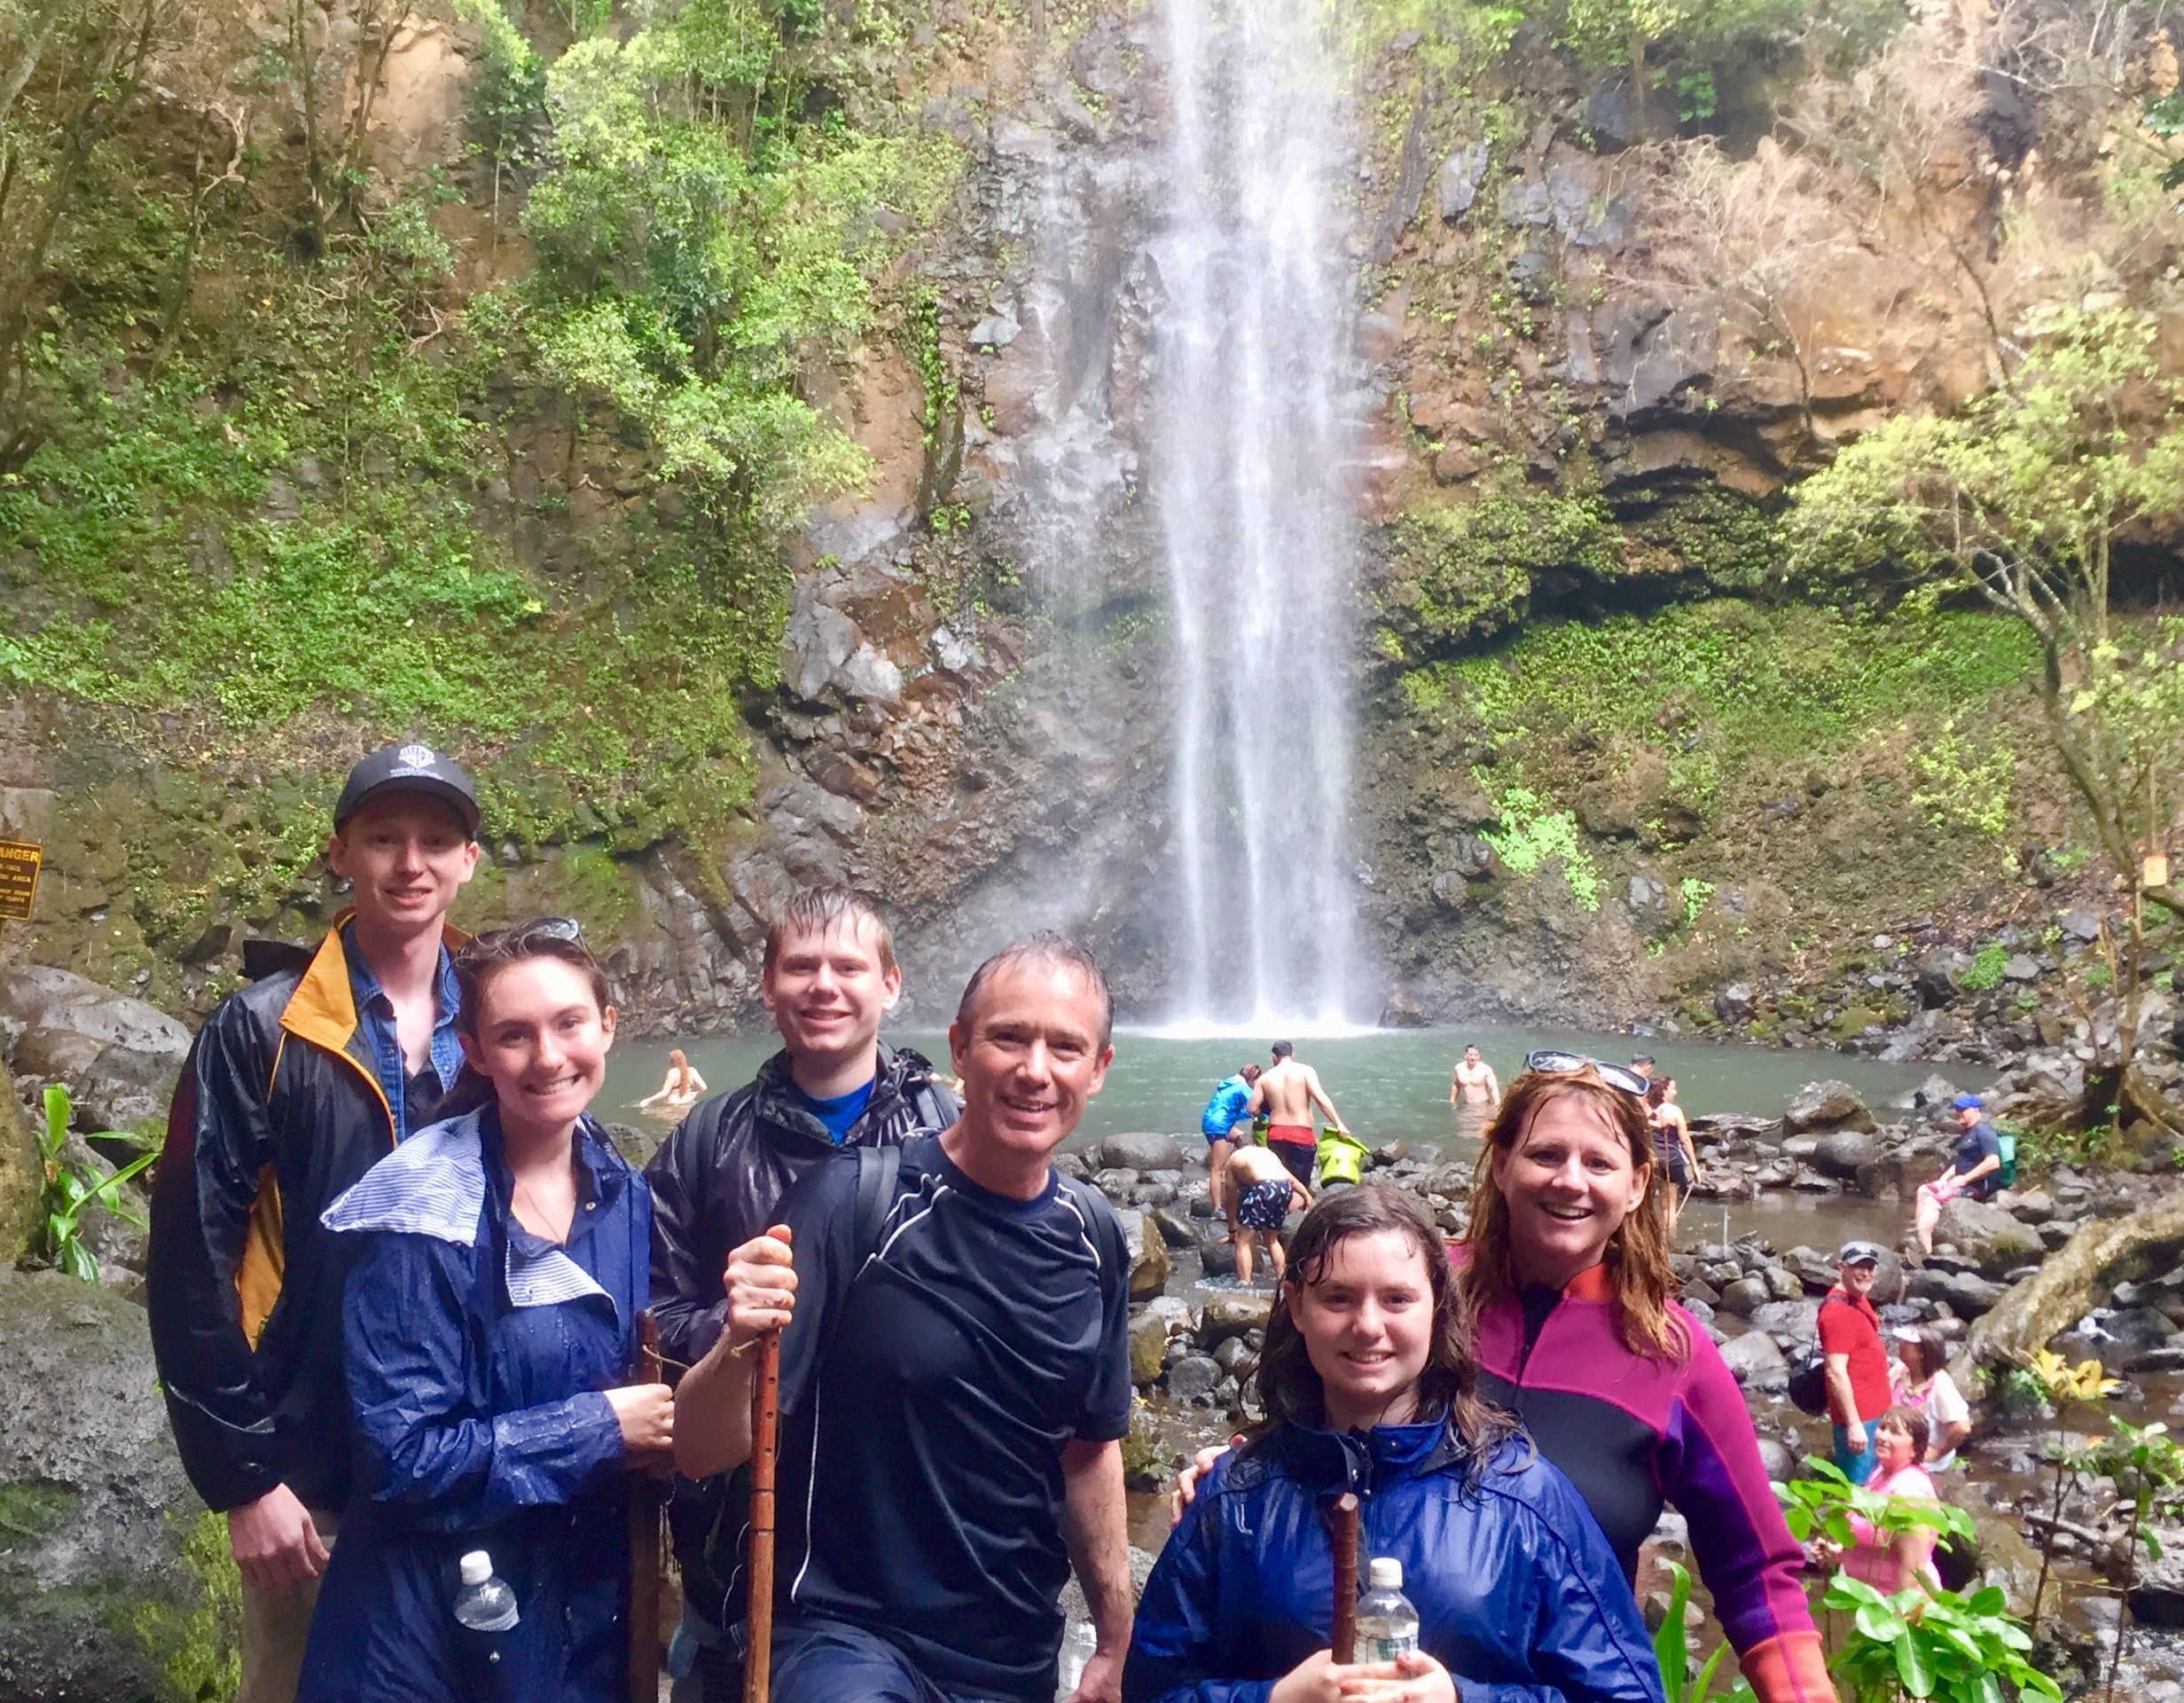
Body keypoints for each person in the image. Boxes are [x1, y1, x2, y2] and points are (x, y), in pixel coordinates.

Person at [1176, 1054, 1831, 1703]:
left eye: (1598, 1163)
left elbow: (1755, 1576)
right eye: (1545, 1154)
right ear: (1500, 1163)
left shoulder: (1673, 1355)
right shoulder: (1411, 1293)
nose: (1569, 1181)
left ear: (1636, 1185)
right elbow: (1309, 1417)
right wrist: (1235, 1475)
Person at [674, 935, 1135, 1703]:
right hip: (846, 1639)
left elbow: (1090, 1451)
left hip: (1012, 1653)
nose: (1035, 1070)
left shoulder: (1095, 1236)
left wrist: (1117, 1638)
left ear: (1098, 1069)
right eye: (1008, 1038)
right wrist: (735, 1342)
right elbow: (701, 1449)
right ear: (959, 1048)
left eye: (1065, 1047)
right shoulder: (854, 1202)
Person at [148, 742, 483, 1703]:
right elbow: (187, 1261)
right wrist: (246, 1480)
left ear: (469, 860)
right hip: (311, 1479)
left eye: (434, 839)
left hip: (470, 1460)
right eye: (383, 838)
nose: (409, 863)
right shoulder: (260, 1030)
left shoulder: (508, 1025)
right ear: (341, 853)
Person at [296, 919, 668, 1703]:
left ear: (607, 1025)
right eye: (514, 1035)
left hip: (570, 1619)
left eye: (569, 1023)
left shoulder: (624, 1192)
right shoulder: (421, 1210)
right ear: (471, 1049)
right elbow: (401, 1460)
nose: (548, 1057)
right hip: (421, 1635)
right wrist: (599, 1428)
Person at [1126, 1186, 1664, 1703]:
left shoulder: (1523, 1497)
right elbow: (1151, 1689)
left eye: (1397, 1299)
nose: (1367, 1325)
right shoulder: (1234, 1500)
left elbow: (1628, 1693)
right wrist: (1276, 1698)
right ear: (1295, 1304)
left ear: (1436, 1306)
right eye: (1338, 1298)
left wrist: (1462, 1698)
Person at [645, 886, 959, 1703]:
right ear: (767, 986)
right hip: (741, 1534)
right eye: (801, 966)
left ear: (890, 985)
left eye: (848, 966)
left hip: (909, 1524)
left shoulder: (952, 1129)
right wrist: (745, 1324)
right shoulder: (708, 1140)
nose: (824, 984)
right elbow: (646, 1324)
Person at [1818, 1408, 1941, 1596]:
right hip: (1863, 1599)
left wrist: (1894, 1619)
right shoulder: (1881, 1472)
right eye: (1882, 1427)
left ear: (1914, 1449)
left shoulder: (1910, 1491)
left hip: (1894, 1607)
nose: (1883, 1436)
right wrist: (1837, 1553)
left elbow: (1913, 1569)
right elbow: (1871, 1541)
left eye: (1895, 1432)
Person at [1820, 1242, 1892, 1487]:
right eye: (1858, 1267)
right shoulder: (1837, 1313)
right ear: (1842, 1267)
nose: (1866, 1273)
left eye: (1870, 1267)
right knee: (1858, 1488)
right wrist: (1854, 1426)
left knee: (1874, 1481)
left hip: (1874, 1412)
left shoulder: (1856, 1298)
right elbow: (1835, 1372)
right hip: (1860, 1418)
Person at [1247, 1041, 1349, 1189]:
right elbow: (1321, 1099)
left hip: (1276, 1135)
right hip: (1301, 1134)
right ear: (1292, 1055)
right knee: (1300, 1185)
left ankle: (1281, 1210)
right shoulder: (1305, 1071)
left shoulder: (1265, 1078)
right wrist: (1339, 1124)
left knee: (1280, 1181)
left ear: (1274, 1057)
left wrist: (1267, 1112)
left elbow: (1252, 1108)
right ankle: (1299, 1211)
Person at [1914, 1095, 2003, 1254]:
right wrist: (1943, 1180)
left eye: (1963, 1110)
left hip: (1975, 1187)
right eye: (1957, 1110)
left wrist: (1964, 1179)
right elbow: (1961, 1162)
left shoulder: (1984, 1131)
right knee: (1924, 1190)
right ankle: (1923, 1233)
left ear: (1976, 1110)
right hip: (1961, 1181)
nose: (1959, 1113)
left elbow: (1993, 1162)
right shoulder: (1968, 1132)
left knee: (1934, 1202)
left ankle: (1925, 1252)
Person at [1223, 1140, 1311, 1284]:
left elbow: (1230, 1196)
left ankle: (1245, 1286)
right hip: (1284, 1187)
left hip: (1264, 1188)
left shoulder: (1234, 1158)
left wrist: (1232, 1230)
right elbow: (1291, 1180)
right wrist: (1307, 1197)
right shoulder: (1267, 1154)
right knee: (1271, 1239)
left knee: (1242, 1241)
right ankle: (1282, 1282)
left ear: (1235, 1149)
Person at [1890, 1328, 1971, 1470]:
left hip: (1926, 1466)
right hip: (1898, 1456)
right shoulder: (1900, 1371)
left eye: (1907, 1343)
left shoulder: (1940, 1384)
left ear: (1922, 1352)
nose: (1900, 1345)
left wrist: (1936, 1453)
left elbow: (1962, 1427)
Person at [1199, 1063, 1262, 1225]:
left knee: (1242, 1139)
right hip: (1218, 1125)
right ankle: (1217, 1208)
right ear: (1252, 1079)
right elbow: (1254, 1107)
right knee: (1217, 1168)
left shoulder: (1231, 1082)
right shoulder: (1242, 1088)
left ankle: (1238, 1172)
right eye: (1257, 1081)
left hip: (1215, 1120)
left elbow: (1239, 1111)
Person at [1648, 1077, 1702, 1234]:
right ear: (1663, 1091)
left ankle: (1654, 1238)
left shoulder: (1644, 1109)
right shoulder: (1674, 1111)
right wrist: (1695, 1166)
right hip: (1670, 1160)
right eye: (1672, 1088)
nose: (1675, 1092)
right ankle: (1670, 1242)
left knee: (1655, 1202)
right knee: (1669, 1207)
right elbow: (1685, 1140)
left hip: (1650, 1160)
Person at [639, 1048, 709, 1113]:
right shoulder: (692, 1071)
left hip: (673, 1107)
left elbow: (665, 1092)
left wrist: (648, 1100)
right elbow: (704, 1087)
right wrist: (695, 1094)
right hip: (688, 1105)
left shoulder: (672, 1072)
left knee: (651, 1112)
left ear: (672, 1061)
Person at [1448, 1042, 1499, 1114]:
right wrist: (1452, 1100)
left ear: (1478, 1057)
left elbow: (1493, 1087)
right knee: (1465, 1124)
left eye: (1475, 1055)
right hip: (1467, 1105)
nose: (1473, 1057)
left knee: (1481, 1125)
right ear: (1466, 1056)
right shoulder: (1459, 1068)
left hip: (1483, 1105)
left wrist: (1497, 1104)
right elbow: (1456, 1084)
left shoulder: (1485, 1069)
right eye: (1470, 1054)